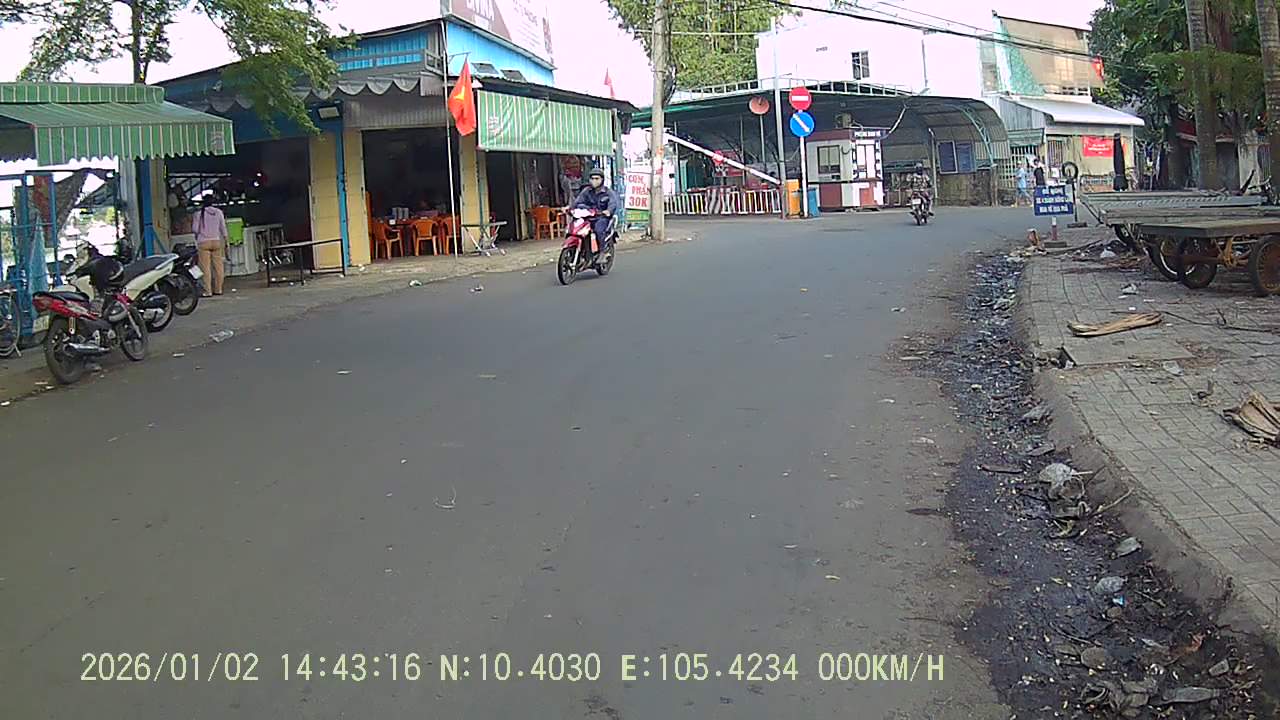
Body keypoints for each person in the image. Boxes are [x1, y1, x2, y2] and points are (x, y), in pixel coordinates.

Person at [571, 168, 619, 254]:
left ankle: (602, 252)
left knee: (598, 230)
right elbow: (577, 202)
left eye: (597, 179)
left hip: (601, 218)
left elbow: (613, 203)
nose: (594, 181)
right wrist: (570, 208)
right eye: (592, 178)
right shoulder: (586, 191)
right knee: (576, 228)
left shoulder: (608, 192)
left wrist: (608, 211)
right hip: (587, 217)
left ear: (602, 179)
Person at [192, 194, 228, 297]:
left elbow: (195, 229)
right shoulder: (219, 212)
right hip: (216, 241)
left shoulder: (198, 214)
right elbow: (223, 228)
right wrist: (226, 240)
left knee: (205, 268)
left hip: (203, 242)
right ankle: (218, 289)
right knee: (218, 267)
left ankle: (208, 291)